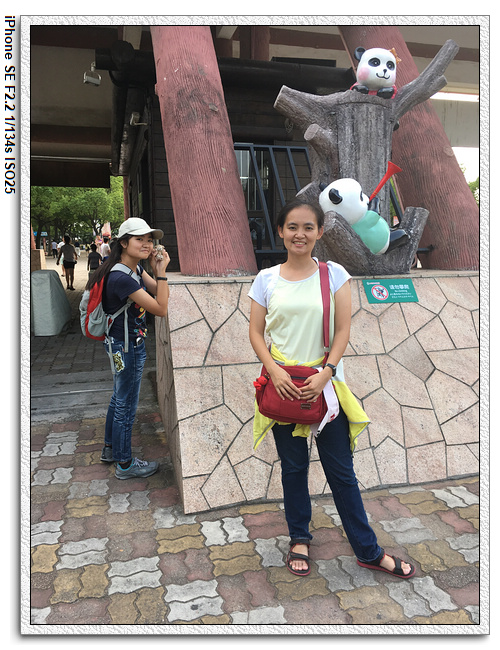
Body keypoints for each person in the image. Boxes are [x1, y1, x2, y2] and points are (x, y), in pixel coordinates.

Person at [248, 198, 415, 579]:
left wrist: (327, 372)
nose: (300, 234)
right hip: (284, 387)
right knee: (293, 469)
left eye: (308, 227)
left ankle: (368, 551)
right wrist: (274, 372)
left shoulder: (334, 274)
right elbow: (256, 333)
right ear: (280, 231)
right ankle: (299, 538)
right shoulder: (266, 279)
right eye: (292, 227)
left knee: (341, 473)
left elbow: (342, 330)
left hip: (325, 389)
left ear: (320, 232)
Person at [86, 217, 170, 479]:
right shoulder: (121, 277)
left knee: (119, 397)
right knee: (127, 403)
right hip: (127, 347)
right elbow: (161, 308)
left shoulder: (132, 268)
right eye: (139, 239)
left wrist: (156, 269)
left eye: (149, 240)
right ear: (123, 243)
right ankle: (124, 464)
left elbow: (156, 289)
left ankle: (110, 449)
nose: (147, 244)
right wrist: (162, 272)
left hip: (119, 346)